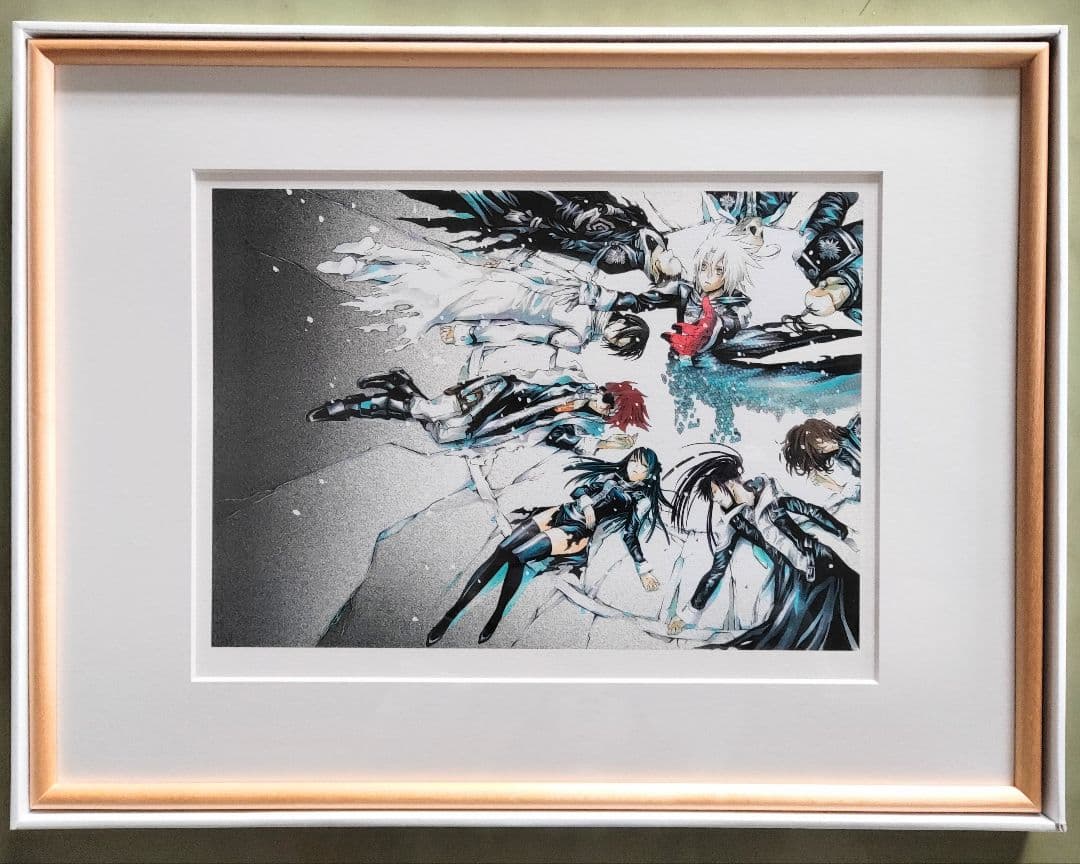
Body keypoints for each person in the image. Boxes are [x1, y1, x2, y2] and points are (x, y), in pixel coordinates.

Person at [426, 447, 669, 645]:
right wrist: (585, 501)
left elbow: (630, 534)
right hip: (560, 513)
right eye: (633, 461)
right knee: (501, 551)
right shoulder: (611, 476)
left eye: (642, 466)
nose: (634, 468)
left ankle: (496, 616)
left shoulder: (640, 500)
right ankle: (450, 615)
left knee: (518, 557)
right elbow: (579, 490)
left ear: (649, 473)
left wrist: (643, 569)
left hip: (576, 532)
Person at [318, 238, 650, 359]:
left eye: (619, 343)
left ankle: (370, 264)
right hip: (511, 289)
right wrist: (513, 260)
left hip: (509, 300)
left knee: (444, 285)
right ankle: (373, 258)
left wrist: (472, 335)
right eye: (622, 334)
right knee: (445, 281)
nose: (614, 338)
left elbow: (523, 333)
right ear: (624, 321)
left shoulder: (578, 337)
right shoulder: (590, 299)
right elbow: (549, 273)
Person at [664, 448, 859, 650]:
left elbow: (811, 511)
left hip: (821, 564)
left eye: (714, 492)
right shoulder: (735, 521)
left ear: (728, 483)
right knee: (789, 638)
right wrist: (689, 612)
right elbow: (717, 570)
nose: (714, 499)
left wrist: (844, 533)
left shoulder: (771, 497)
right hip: (794, 579)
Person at [306, 368, 649, 453]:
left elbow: (559, 437)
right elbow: (526, 378)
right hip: (492, 395)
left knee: (440, 432)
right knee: (431, 413)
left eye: (610, 412)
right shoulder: (573, 380)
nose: (604, 406)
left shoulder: (577, 419)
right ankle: (347, 407)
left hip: (493, 420)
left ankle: (401, 383)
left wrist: (602, 444)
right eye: (609, 399)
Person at [781, 414, 861, 495]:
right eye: (820, 451)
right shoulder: (842, 459)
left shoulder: (857, 425)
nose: (825, 450)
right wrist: (835, 487)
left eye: (822, 447)